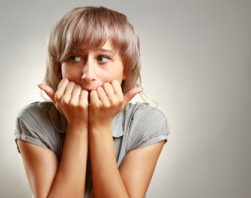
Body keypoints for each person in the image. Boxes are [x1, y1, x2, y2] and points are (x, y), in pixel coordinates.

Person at [14, 6, 170, 198]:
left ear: (126, 69)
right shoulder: (33, 120)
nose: (88, 75)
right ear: (58, 69)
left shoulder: (147, 124)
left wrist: (100, 126)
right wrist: (77, 125)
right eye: (74, 58)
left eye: (102, 58)